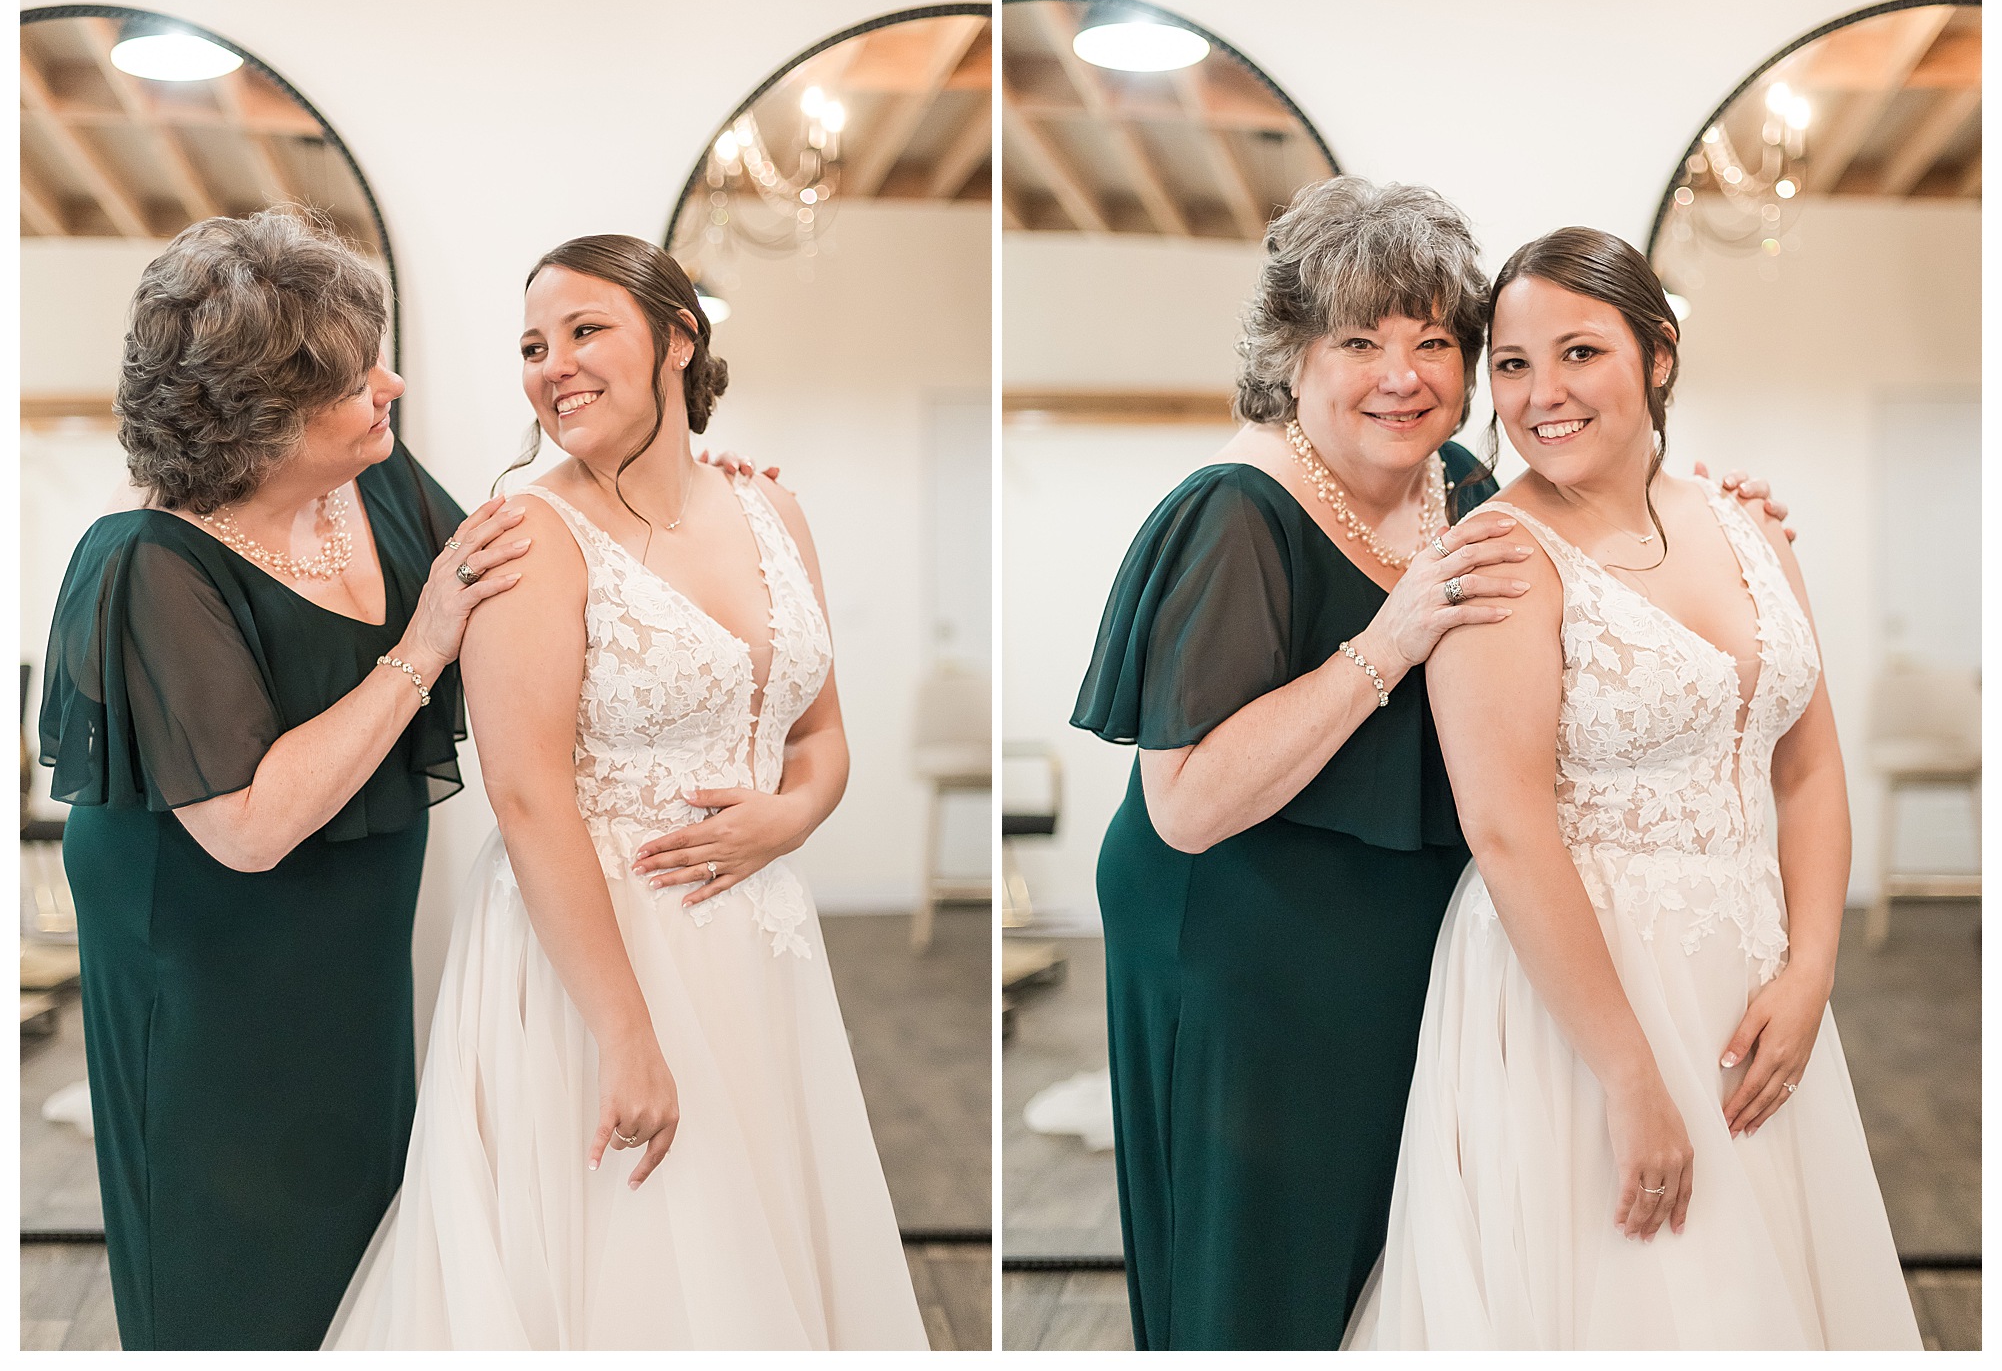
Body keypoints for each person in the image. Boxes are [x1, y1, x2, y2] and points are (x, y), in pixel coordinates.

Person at [1069, 178, 1790, 1349]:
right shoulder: (1235, 512)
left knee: (1396, 1268)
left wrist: (1720, 516)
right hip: (1245, 950)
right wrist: (1385, 641)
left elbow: (1606, 549)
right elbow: (1186, 804)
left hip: (1400, 941)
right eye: (1359, 341)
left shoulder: (1459, 483)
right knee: (1264, 1276)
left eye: (1434, 342)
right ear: (1293, 356)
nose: (1400, 375)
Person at [324, 235, 928, 1349]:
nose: (553, 365)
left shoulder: (772, 508)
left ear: (677, 339)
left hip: (758, 951)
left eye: (585, 330)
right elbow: (525, 795)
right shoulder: (527, 537)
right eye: (532, 346)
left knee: (762, 1256)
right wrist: (626, 1033)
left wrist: (791, 815)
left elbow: (821, 731)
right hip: (594, 959)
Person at [1347, 228, 1919, 1349]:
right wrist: (1627, 1074)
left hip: (1747, 977)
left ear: (1657, 354)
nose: (1541, 395)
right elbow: (1505, 830)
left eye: (1579, 353)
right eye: (1513, 365)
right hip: (1581, 997)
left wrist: (1811, 967)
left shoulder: (1749, 526)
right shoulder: (1498, 556)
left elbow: (1806, 767)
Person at [37, 210, 528, 1350]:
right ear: (263, 424)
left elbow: (520, 571)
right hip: (206, 982)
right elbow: (251, 826)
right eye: (358, 383)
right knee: (235, 1287)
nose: (391, 388)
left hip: (348, 964)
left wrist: (674, 487)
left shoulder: (381, 483)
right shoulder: (146, 563)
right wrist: (423, 644)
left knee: (369, 1261)